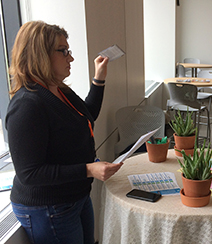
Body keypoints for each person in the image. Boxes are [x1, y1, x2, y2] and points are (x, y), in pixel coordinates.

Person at [6, 21, 123, 244]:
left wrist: (99, 79)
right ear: (40, 54)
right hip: (48, 207)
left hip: (74, 196)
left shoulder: (59, 90)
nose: (70, 58)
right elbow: (30, 173)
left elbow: (87, 115)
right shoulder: (27, 104)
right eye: (64, 51)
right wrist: (88, 169)